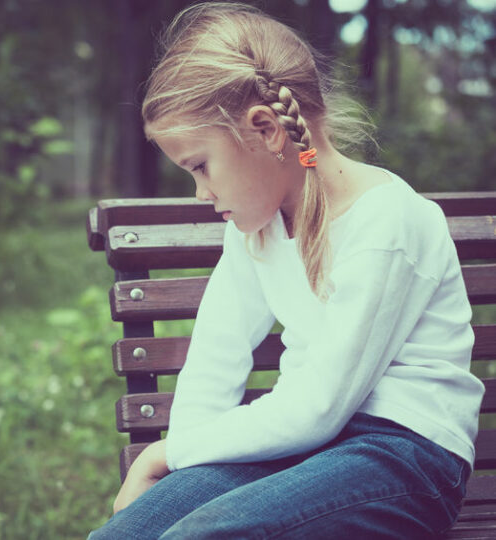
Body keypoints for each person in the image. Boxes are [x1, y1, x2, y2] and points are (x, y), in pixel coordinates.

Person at [88, 2, 485, 538]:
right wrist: (181, 460)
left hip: (402, 457)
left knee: (203, 534)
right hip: (301, 448)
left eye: (200, 166)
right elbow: (215, 363)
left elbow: (317, 408)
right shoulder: (255, 230)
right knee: (125, 534)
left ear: (267, 130)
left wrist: (164, 454)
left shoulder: (389, 221)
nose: (201, 193)